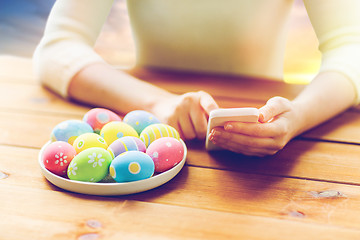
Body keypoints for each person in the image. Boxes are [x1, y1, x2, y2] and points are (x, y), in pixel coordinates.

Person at [33, 0, 360, 156]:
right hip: (156, 145)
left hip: (267, 161)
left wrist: (299, 116)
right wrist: (158, 104)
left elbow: (352, 47)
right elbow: (57, 48)